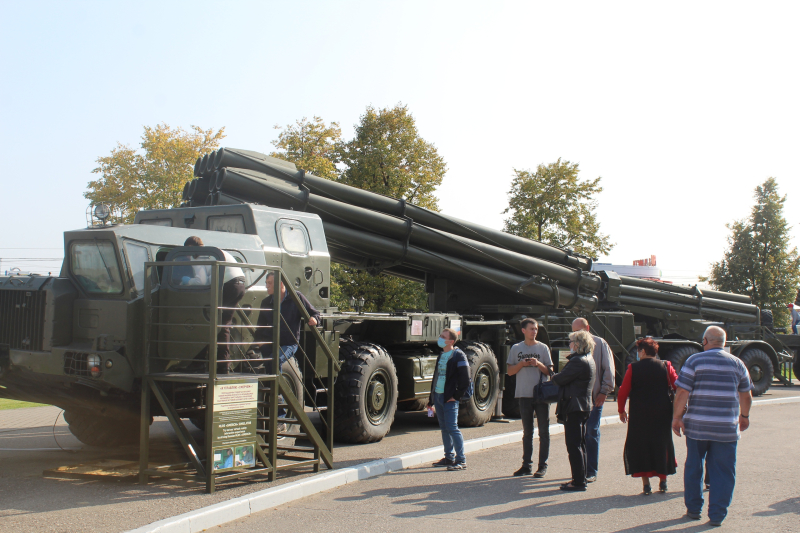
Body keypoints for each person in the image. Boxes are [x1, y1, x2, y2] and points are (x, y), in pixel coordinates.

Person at [672, 326, 753, 527]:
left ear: (705, 341)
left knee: (694, 466)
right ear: (724, 342)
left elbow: (682, 392)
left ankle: (693, 509)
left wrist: (677, 417)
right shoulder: (738, 363)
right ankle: (717, 514)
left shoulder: (694, 361)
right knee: (724, 471)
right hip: (726, 428)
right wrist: (744, 416)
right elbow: (746, 395)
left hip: (697, 426)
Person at [533, 329, 595, 491]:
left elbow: (559, 379)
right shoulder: (588, 359)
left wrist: (553, 376)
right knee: (579, 444)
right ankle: (581, 478)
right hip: (583, 405)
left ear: (578, 344)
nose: (569, 345)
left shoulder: (578, 361)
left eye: (571, 342)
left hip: (574, 406)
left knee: (573, 445)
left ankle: (578, 481)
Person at [618, 337, 678, 495]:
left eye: (638, 350)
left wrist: (621, 410)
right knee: (662, 444)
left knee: (641, 445)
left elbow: (623, 391)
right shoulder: (666, 365)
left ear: (643, 351)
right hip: (662, 412)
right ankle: (663, 480)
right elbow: (677, 384)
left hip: (640, 413)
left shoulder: (633, 368)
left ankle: (646, 484)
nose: (638, 353)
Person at [181, 236, 246, 374]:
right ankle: (221, 364)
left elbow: (200, 281)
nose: (186, 255)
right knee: (223, 324)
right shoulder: (210, 253)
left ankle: (203, 363)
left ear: (190, 248)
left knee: (214, 323)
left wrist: (186, 281)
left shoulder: (197, 257)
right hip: (239, 283)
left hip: (228, 284)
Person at [506, 318, 553, 478]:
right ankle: (526, 465)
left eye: (536, 329)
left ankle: (542, 466)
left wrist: (538, 364)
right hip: (523, 394)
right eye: (531, 329)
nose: (534, 331)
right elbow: (510, 371)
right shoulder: (516, 348)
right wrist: (522, 364)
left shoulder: (543, 348)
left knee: (544, 432)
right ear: (523, 330)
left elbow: (550, 372)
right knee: (527, 432)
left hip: (541, 395)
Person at [571, 317, 615, 483]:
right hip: (577, 400)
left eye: (579, 331)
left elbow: (609, 370)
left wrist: (604, 392)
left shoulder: (600, 344)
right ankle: (579, 470)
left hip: (594, 398)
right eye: (574, 331)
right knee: (578, 436)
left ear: (587, 328)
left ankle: (591, 471)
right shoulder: (573, 344)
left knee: (591, 433)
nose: (576, 334)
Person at [254, 271, 320, 372]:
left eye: (270, 283)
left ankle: (277, 387)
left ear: (281, 284)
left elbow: (314, 313)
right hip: (271, 342)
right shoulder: (266, 302)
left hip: (289, 343)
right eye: (266, 283)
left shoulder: (296, 297)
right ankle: (271, 386)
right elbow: (260, 326)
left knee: (276, 360)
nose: (267, 286)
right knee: (269, 362)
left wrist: (314, 319)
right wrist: (260, 343)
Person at [427, 328, 471, 471]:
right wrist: (431, 399)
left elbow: (465, 379)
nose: (440, 338)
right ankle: (448, 457)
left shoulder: (459, 356)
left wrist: (456, 396)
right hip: (439, 396)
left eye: (443, 336)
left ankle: (461, 460)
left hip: (449, 398)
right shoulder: (441, 355)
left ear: (451, 341)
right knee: (444, 428)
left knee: (452, 428)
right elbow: (436, 377)